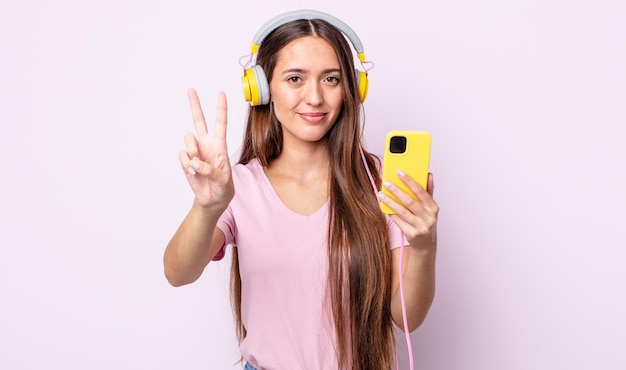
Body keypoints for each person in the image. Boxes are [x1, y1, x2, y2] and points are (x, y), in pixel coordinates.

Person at [164, 9, 438, 370]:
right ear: (262, 89)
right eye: (295, 78)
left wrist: (424, 244)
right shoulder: (238, 187)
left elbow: (407, 318)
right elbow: (178, 273)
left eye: (331, 79)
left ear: (353, 89)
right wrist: (207, 207)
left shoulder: (380, 182)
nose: (314, 98)